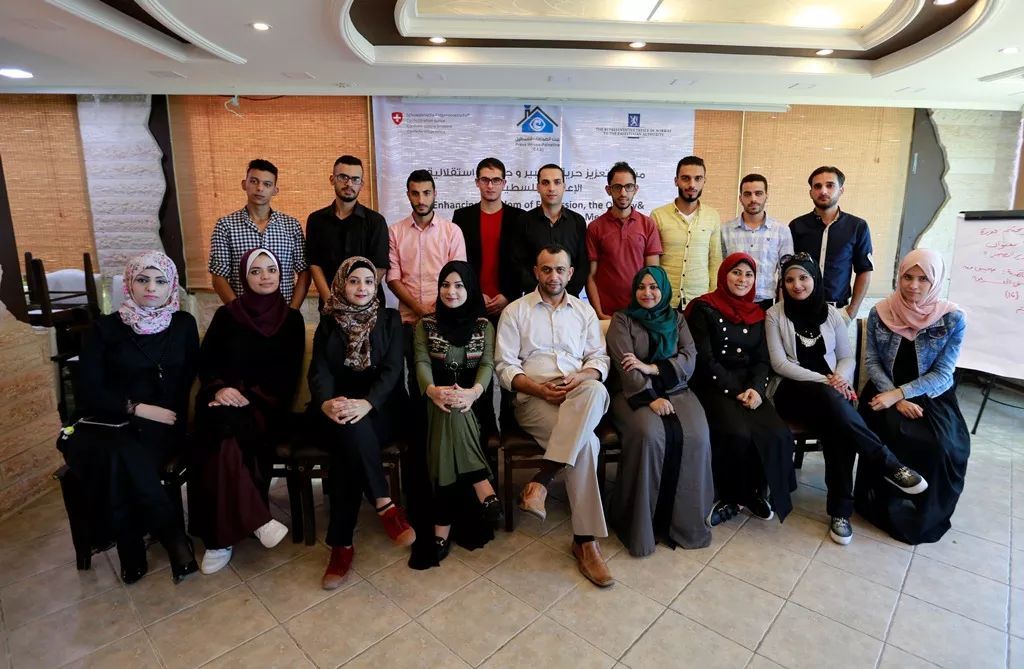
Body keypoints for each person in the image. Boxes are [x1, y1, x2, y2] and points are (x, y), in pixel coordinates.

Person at [765, 253, 928, 546]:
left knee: (839, 426)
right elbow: (780, 364)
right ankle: (888, 464)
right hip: (791, 391)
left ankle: (840, 512)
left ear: (815, 279)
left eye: (803, 277)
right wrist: (827, 380)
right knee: (835, 407)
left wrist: (839, 377)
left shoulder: (832, 315)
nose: (797, 285)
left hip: (830, 394)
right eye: (789, 280)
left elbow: (846, 357)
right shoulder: (774, 315)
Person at [63, 251, 198, 584]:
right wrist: (136, 408)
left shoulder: (183, 324)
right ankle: (171, 539)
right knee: (120, 453)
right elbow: (89, 389)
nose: (151, 288)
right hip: (110, 419)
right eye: (142, 279)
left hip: (165, 423)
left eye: (160, 281)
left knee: (121, 456)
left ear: (172, 286)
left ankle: (132, 547)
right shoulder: (104, 328)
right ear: (129, 283)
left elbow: (191, 376)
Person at [495, 244, 613, 587]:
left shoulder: (584, 312)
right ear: (536, 272)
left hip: (578, 393)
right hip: (536, 400)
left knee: (597, 389)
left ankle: (541, 480)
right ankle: (586, 543)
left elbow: (599, 359)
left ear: (570, 273)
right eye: (546, 269)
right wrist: (538, 389)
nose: (553, 276)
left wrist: (583, 375)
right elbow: (505, 367)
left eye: (560, 269)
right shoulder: (516, 311)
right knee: (587, 445)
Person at [188, 249, 305, 574]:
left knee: (227, 435)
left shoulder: (291, 320)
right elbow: (207, 363)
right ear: (244, 276)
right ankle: (257, 520)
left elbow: (287, 376)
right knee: (220, 430)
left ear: (281, 274)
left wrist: (246, 396)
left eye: (271, 270)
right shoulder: (227, 315)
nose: (265, 276)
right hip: (220, 399)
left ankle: (218, 540)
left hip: (265, 406)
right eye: (256, 271)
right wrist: (220, 390)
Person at [310, 257, 413, 590]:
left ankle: (341, 546)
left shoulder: (390, 319)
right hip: (336, 409)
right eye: (354, 281)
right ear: (342, 284)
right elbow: (319, 370)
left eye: (369, 281)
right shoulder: (329, 321)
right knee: (349, 430)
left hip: (381, 409)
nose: (362, 288)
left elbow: (392, 371)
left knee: (350, 439)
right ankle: (384, 504)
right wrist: (326, 402)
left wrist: (367, 403)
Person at [855, 249, 969, 544]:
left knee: (944, 447)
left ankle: (921, 516)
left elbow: (943, 373)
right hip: (883, 389)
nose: (913, 285)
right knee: (894, 434)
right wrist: (893, 396)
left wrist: (900, 394)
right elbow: (872, 362)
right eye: (907, 277)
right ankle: (879, 508)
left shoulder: (952, 318)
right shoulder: (881, 312)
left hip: (931, 394)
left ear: (936, 281)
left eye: (923, 279)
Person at [605, 266, 713, 557]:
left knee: (697, 435)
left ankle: (684, 523)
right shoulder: (622, 320)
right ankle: (640, 525)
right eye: (641, 287)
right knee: (650, 434)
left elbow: (689, 357)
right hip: (633, 393)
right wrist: (649, 398)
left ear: (664, 290)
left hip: (677, 389)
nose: (647, 293)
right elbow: (626, 367)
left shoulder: (677, 319)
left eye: (654, 287)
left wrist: (652, 368)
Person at [684, 253, 795, 527]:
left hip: (749, 386)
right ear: (724, 275)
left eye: (748, 274)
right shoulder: (704, 308)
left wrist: (756, 389)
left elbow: (763, 360)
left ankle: (754, 491)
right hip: (712, 384)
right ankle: (730, 497)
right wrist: (735, 390)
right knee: (737, 432)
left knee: (777, 433)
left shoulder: (758, 314)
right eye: (736, 272)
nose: (742, 279)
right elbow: (704, 358)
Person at [414, 261, 501, 565]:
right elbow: (421, 363)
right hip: (431, 401)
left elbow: (487, 364)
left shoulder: (484, 325)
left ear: (471, 289)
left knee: (455, 407)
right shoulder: (425, 325)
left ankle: (441, 527)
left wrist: (473, 392)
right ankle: (481, 483)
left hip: (475, 404)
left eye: (459, 285)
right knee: (448, 405)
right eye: (445, 284)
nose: (451, 291)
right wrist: (432, 390)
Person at [387, 169, 467, 404]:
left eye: (426, 193)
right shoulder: (395, 232)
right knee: (415, 380)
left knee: (447, 377)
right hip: (409, 322)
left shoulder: (452, 231)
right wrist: (419, 309)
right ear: (408, 195)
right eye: (415, 193)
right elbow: (393, 278)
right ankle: (418, 427)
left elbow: (458, 279)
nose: (421, 199)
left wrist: (435, 311)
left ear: (435, 193)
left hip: (445, 319)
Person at [209, 159, 310, 308]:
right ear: (244, 184)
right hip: (242, 314)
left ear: (275, 190)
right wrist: (239, 312)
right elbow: (218, 277)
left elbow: (304, 271)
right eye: (254, 181)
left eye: (267, 184)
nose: (260, 188)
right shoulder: (225, 226)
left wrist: (293, 311)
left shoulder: (291, 225)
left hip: (284, 312)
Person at [789, 166, 872, 321]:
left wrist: (851, 311)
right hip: (800, 309)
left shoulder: (857, 227)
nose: (823, 191)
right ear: (811, 192)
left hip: (838, 312)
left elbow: (864, 270)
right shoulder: (797, 226)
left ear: (841, 190)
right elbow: (787, 270)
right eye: (817, 186)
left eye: (830, 185)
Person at [306, 155, 389, 308]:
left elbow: (380, 266)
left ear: (361, 184)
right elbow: (315, 265)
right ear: (332, 179)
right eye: (343, 177)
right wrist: (331, 301)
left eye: (355, 179)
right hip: (330, 306)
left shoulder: (376, 221)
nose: (349, 183)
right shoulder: (316, 220)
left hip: (368, 307)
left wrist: (357, 299)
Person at [586, 161, 663, 319]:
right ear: (608, 190)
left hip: (641, 314)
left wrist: (649, 312)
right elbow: (591, 276)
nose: (623, 193)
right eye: (617, 187)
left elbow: (653, 274)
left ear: (635, 189)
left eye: (628, 187)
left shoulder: (647, 224)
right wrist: (599, 313)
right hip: (607, 315)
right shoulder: (595, 227)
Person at [452, 157, 527, 318]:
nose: (490, 186)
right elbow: (457, 263)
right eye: (485, 180)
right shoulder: (462, 217)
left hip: (510, 304)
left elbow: (524, 262)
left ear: (504, 183)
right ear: (477, 182)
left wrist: (508, 295)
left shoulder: (520, 218)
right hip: (469, 301)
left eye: (496, 180)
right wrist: (474, 293)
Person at [651, 156, 722, 308]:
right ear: (676, 181)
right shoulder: (658, 215)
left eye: (698, 178)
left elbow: (715, 261)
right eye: (685, 178)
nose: (692, 185)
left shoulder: (712, 216)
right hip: (665, 301)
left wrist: (713, 298)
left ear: (704, 181)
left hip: (701, 302)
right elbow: (653, 263)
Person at [509, 164, 589, 297]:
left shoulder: (577, 222)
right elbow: (518, 264)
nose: (551, 188)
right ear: (538, 187)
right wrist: (540, 293)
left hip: (569, 300)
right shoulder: (524, 221)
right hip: (533, 300)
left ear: (564, 186)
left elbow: (582, 265)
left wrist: (565, 294)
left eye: (557, 182)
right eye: (545, 183)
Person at [720, 174, 793, 310]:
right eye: (747, 194)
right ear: (740, 198)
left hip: (767, 304)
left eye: (758, 193)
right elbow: (721, 270)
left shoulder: (781, 230)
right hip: (731, 303)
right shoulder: (725, 230)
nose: (753, 199)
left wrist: (781, 309)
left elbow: (786, 274)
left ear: (766, 196)